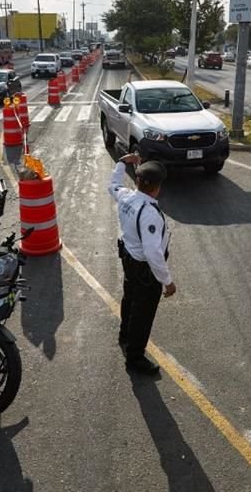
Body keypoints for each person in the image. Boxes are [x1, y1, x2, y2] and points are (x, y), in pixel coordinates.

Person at [109, 153, 175, 376]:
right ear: (157, 187)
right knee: (143, 312)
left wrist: (121, 162)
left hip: (129, 259)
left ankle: (124, 336)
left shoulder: (126, 197)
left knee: (129, 299)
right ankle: (135, 357)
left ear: (137, 181)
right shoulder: (150, 214)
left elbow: (114, 185)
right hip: (144, 269)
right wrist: (167, 282)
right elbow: (153, 253)